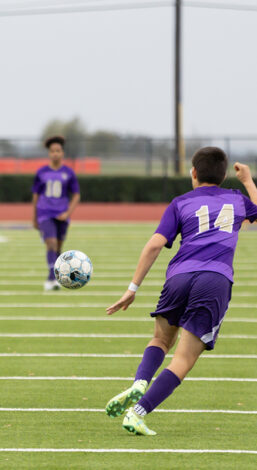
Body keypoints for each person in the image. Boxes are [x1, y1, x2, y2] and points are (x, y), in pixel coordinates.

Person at [104, 147, 257, 435]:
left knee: (161, 340)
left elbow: (153, 245)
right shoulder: (236, 199)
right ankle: (138, 412)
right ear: (224, 176)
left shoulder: (180, 202)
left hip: (178, 277)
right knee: (184, 358)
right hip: (214, 280)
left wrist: (131, 288)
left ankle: (140, 381)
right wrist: (248, 181)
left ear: (194, 173)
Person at [32, 136, 81, 291]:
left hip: (61, 214)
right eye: (52, 151)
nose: (55, 154)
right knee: (51, 243)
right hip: (45, 212)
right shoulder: (41, 172)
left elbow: (76, 195)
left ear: (62, 153)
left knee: (58, 247)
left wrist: (68, 213)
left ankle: (57, 275)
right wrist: (34, 217)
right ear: (49, 153)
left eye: (58, 151)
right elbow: (35, 195)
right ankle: (51, 278)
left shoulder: (69, 173)